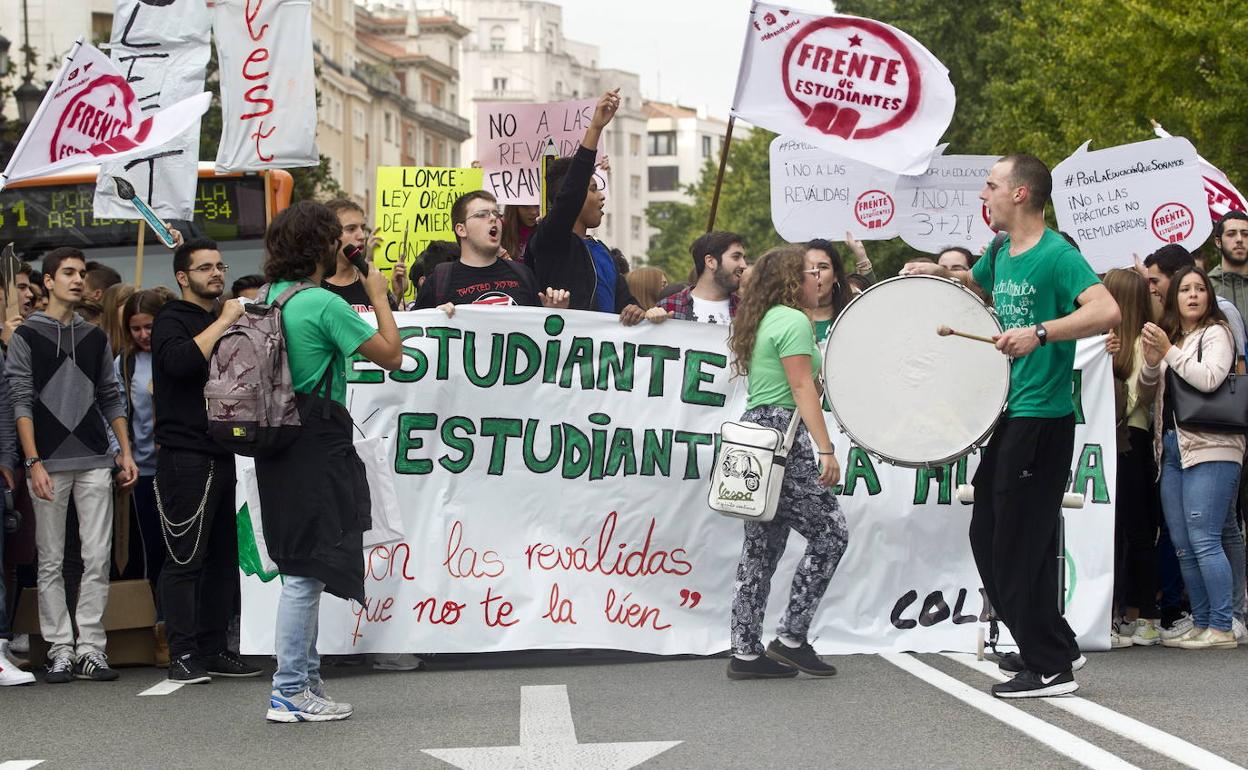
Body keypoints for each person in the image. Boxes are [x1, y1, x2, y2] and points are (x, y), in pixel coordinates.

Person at [903, 153, 1120, 698]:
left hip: (1043, 418)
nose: (984, 193)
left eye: (992, 184)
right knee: (991, 534)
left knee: (1018, 543)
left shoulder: (1057, 254)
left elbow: (1108, 310)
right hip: (1008, 413)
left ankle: (1050, 668)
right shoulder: (1000, 250)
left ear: (1020, 194)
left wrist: (1041, 333)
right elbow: (971, 288)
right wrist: (934, 274)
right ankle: (1052, 642)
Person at [256, 201, 402, 723]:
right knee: (305, 571)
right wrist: (379, 296)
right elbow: (392, 353)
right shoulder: (320, 302)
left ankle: (306, 681)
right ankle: (290, 688)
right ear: (321, 245)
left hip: (277, 440)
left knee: (302, 562)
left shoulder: (269, 296)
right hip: (315, 439)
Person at [5, 247, 139, 683]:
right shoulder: (26, 336)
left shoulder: (95, 337)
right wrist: (33, 461)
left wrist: (125, 451)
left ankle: (91, 648)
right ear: (48, 282)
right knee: (50, 559)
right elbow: (19, 400)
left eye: (82, 273)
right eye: (68, 273)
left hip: (96, 458)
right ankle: (60, 647)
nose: (78, 280)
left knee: (97, 556)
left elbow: (111, 395)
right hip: (46, 462)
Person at [724, 245, 848, 681]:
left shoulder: (767, 319)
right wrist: (826, 448)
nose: (819, 278)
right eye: (810, 272)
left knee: (760, 548)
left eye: (820, 270)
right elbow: (800, 389)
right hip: (782, 435)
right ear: (793, 281)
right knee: (831, 533)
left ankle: (745, 651)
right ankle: (791, 638)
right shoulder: (794, 320)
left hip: (757, 432)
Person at [152, 237, 262, 684]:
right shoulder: (172, 318)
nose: (216, 274)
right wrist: (225, 321)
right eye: (204, 268)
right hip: (186, 455)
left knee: (221, 557)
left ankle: (215, 646)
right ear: (183, 277)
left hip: (224, 451)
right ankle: (181, 652)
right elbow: (178, 364)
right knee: (185, 557)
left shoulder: (219, 316)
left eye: (220, 266)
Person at [1143, 244, 1248, 641]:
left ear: (1208, 296)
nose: (1192, 295)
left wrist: (1168, 352)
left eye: (1199, 289)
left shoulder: (1217, 332)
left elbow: (1209, 379)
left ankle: (1222, 625)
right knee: (1184, 542)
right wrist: (1153, 361)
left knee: (1206, 536)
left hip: (1212, 445)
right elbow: (1146, 390)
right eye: (1185, 289)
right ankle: (1202, 621)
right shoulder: (1172, 337)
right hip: (1171, 446)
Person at [526, 89, 644, 324]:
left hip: (604, 357)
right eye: (592, 189)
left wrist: (637, 311)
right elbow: (571, 191)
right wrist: (595, 129)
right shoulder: (550, 241)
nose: (602, 197)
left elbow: (626, 302)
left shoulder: (602, 252)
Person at [1101, 269, 1162, 648]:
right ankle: (1115, 612)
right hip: (1104, 442)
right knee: (1109, 531)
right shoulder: (1098, 340)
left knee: (1135, 530)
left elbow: (1138, 400)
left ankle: (1146, 617)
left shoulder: (1141, 342)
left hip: (1129, 442)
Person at [115, 289, 175, 628]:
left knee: (181, 547)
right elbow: (116, 412)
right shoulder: (124, 364)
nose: (144, 335)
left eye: (149, 327)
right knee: (153, 548)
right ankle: (159, 621)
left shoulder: (176, 352)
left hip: (178, 465)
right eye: (136, 329)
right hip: (144, 468)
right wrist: (121, 454)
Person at [412, 191, 569, 313]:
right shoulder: (439, 281)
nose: (493, 219)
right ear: (461, 229)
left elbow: (540, 334)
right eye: (482, 215)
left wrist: (553, 313)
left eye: (496, 214)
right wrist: (436, 320)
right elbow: (416, 339)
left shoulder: (523, 275)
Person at [650, 231, 747, 324]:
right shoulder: (669, 307)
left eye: (743, 258)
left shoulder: (748, 310)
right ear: (710, 262)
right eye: (736, 257)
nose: (744, 265)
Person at [322, 199, 397, 313]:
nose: (362, 236)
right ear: (329, 234)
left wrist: (396, 294)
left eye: (363, 228)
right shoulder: (313, 286)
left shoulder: (372, 281)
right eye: (351, 229)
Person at [803, 239, 851, 347]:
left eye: (823, 267)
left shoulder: (852, 318)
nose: (815, 274)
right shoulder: (790, 321)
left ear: (835, 276)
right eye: (808, 268)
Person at [1208, 211, 1248, 324]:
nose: (1239, 239)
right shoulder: (1206, 287)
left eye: (1245, 234)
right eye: (1231, 234)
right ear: (1218, 242)